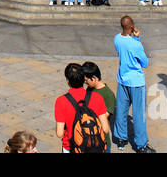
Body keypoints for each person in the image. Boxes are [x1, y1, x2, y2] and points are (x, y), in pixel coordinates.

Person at [112, 15, 155, 152]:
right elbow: (145, 63)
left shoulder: (117, 39)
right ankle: (141, 145)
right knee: (138, 114)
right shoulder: (135, 44)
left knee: (121, 110)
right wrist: (137, 39)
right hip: (136, 82)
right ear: (131, 27)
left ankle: (121, 138)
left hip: (122, 80)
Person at [54, 63, 110, 153]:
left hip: (71, 146)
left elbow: (59, 133)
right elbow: (105, 129)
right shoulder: (97, 97)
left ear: (68, 81)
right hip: (93, 146)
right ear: (84, 78)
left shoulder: (61, 101)